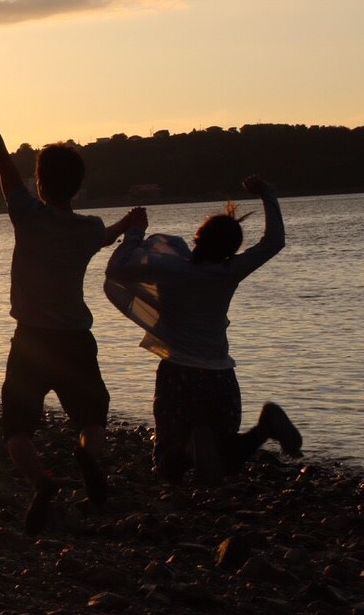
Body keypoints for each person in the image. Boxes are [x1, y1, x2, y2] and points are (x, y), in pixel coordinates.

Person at [0, 88, 140, 534]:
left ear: (40, 183)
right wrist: (129, 225)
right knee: (91, 417)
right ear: (78, 187)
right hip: (75, 341)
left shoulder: (27, 215)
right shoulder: (88, 228)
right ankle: (88, 455)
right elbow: (106, 240)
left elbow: (2, 158)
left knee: (17, 430)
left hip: (31, 340)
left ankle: (41, 482)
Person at [104, 176, 302, 485]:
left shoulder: (172, 268)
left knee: (168, 463)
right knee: (226, 456)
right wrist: (269, 193)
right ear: (231, 249)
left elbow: (116, 268)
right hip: (220, 377)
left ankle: (190, 449)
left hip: (178, 376)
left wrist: (135, 232)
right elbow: (274, 242)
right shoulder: (229, 271)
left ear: (197, 238)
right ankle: (263, 429)